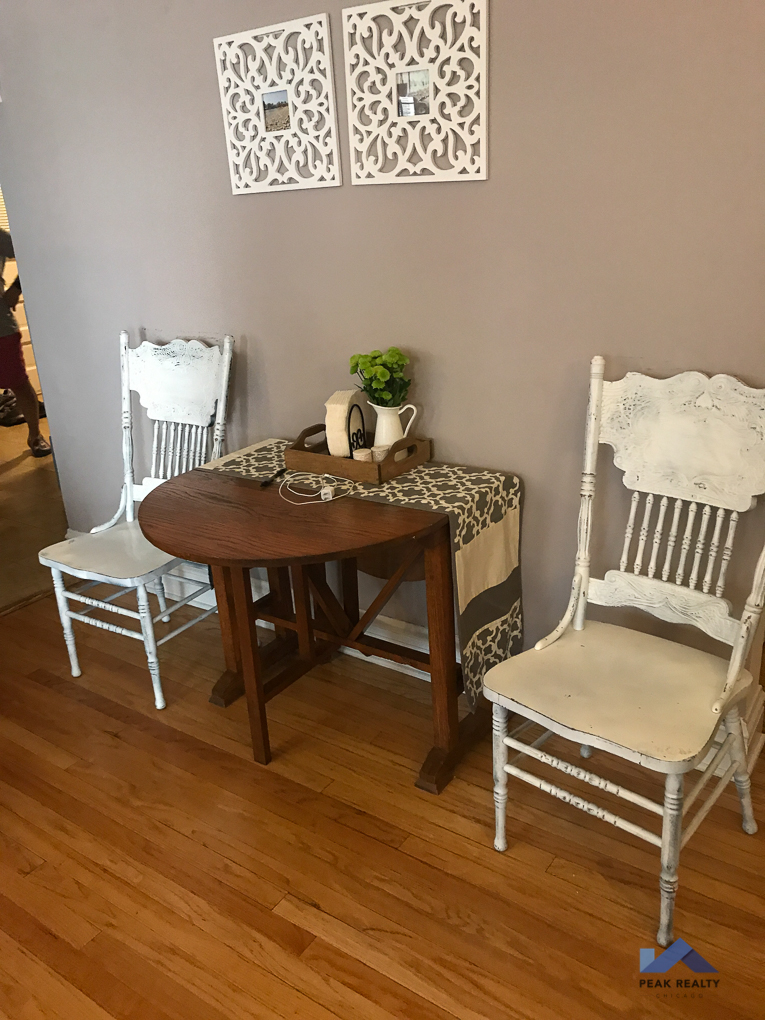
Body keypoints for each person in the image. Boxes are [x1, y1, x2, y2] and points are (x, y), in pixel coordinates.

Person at [0, 227, 50, 456]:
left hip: (1, 329)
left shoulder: (0, 237)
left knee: (19, 383)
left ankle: (35, 435)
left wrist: (16, 289)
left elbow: (33, 254)